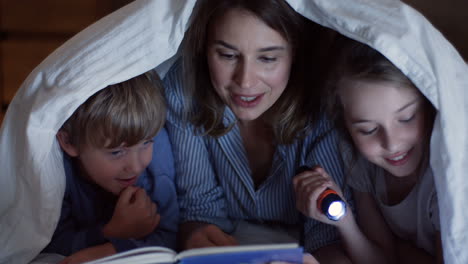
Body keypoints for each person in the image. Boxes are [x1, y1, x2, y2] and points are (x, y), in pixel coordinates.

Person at [162, 0, 352, 263]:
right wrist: (195, 235)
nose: (245, 81)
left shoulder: (322, 107)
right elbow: (198, 209)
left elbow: (327, 235)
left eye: (268, 58)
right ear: (204, 48)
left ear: (295, 54)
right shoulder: (184, 92)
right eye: (228, 56)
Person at [293, 35, 443, 264]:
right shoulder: (360, 160)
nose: (392, 144)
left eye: (407, 118)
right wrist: (345, 222)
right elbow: (379, 259)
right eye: (368, 130)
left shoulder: (443, 178)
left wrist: (402, 252)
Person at [43, 72, 179, 263]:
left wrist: (110, 248)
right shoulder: (57, 173)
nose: (135, 166)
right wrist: (110, 232)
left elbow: (170, 238)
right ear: (69, 142)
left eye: (146, 143)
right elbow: (47, 242)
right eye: (116, 152)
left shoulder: (158, 157)